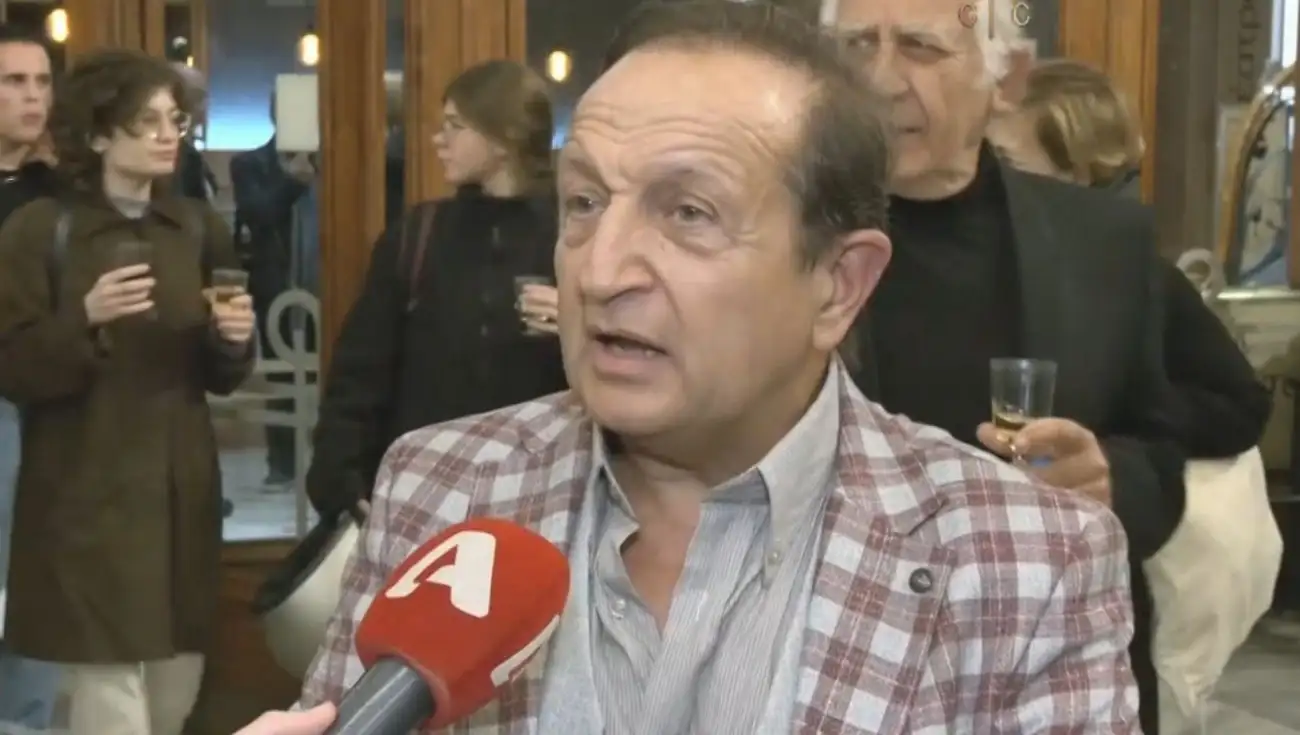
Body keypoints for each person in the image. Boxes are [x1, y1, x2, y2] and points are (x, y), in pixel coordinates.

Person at [249, 3, 1138, 732]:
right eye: (584, 201)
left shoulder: (1027, 561)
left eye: (688, 213)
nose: (601, 270)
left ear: (838, 284)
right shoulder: (441, 486)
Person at [824, 0, 1186, 731]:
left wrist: (1111, 477)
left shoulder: (1102, 241)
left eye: (921, 47)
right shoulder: (784, 234)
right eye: (858, 45)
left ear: (1005, 77)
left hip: (1047, 667)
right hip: (839, 659)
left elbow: (1163, 449)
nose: (881, 80)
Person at [0, 50, 255, 735]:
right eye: (147, 121)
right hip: (82, 493)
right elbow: (12, 368)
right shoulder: (40, 229)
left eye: (175, 120)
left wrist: (233, 338)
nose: (168, 135)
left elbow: (223, 374)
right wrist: (83, 318)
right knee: (109, 700)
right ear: (98, 134)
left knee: (175, 691)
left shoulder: (195, 226)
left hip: (179, 489)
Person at [304, 59, 567, 520]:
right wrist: (341, 478)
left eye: (455, 126)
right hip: (427, 495)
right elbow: (360, 372)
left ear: (503, 137)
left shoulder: (574, 237)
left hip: (546, 496)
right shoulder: (419, 234)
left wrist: (580, 325)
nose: (437, 140)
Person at [986, 58, 1271, 458]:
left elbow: (1243, 406)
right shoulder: (982, 260)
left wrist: (1124, 419)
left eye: (1005, 161)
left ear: (1079, 171)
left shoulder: (1142, 278)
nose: (987, 177)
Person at [0, 23, 63, 734]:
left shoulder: (58, 196)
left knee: (35, 579)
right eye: (14, 81)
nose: (33, 96)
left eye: (42, 81)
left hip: (41, 404)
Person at [230, 93, 314, 487]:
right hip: (276, 283)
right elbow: (257, 214)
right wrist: (292, 182)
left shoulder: (335, 160)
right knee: (283, 377)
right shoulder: (250, 164)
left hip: (324, 277)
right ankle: (283, 464)